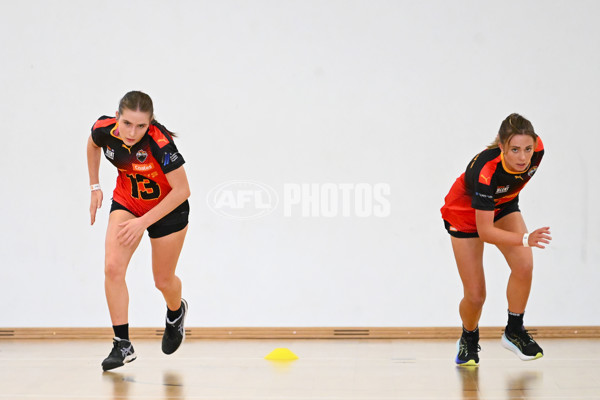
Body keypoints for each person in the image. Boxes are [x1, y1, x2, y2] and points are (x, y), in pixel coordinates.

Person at [87, 91, 191, 371]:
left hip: (168, 209)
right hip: (128, 201)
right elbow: (93, 143)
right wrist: (95, 187)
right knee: (112, 267)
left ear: (150, 123)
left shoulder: (160, 143)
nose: (132, 132)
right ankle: (122, 345)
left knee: (162, 280)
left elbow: (183, 190)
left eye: (141, 126)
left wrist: (143, 222)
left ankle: (175, 312)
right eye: (127, 123)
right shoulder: (103, 128)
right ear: (117, 116)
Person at [440, 113, 552, 366]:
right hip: (465, 216)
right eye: (514, 150)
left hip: (502, 205)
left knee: (524, 266)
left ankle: (514, 330)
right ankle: (468, 337)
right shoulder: (485, 172)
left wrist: (523, 242)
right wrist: (525, 238)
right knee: (476, 295)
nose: (523, 158)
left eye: (527, 149)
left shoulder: (538, 150)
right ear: (501, 147)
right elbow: (486, 232)